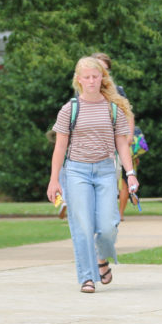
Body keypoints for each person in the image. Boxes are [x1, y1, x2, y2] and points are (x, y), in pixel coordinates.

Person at [45, 56, 139, 294]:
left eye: (95, 76)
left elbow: (122, 145)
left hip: (106, 171)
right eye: (86, 77)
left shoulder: (113, 108)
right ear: (79, 80)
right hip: (77, 172)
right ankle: (87, 277)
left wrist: (130, 174)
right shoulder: (70, 109)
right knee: (83, 226)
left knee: (108, 225)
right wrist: (54, 179)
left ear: (102, 78)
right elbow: (59, 147)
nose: (91, 81)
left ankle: (101, 256)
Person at [91, 52, 138, 221]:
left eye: (105, 69)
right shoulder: (83, 92)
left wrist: (129, 135)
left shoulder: (117, 92)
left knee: (112, 182)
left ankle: (110, 218)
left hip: (113, 147)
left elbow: (128, 114)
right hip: (90, 149)